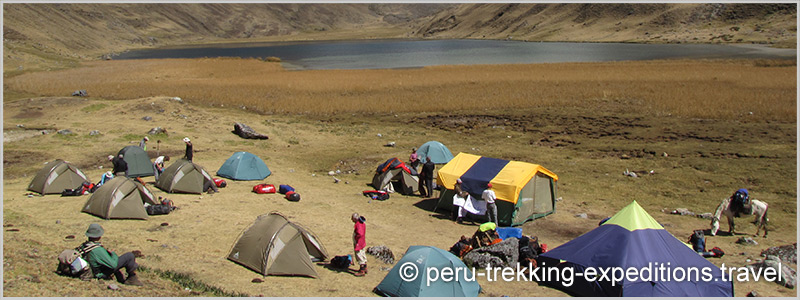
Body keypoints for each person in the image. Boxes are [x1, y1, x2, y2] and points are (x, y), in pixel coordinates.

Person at [78, 223, 143, 286]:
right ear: (99, 236)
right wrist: (113, 254)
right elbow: (113, 265)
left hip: (92, 271)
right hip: (100, 274)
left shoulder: (84, 246)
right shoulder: (97, 250)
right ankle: (132, 279)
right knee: (129, 256)